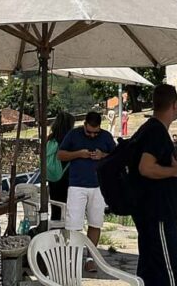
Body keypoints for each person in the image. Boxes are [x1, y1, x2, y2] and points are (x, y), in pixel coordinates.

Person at [130, 84, 177, 286]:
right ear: (174, 105)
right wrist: (174, 171)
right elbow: (146, 167)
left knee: (150, 270)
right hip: (159, 214)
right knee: (171, 271)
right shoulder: (156, 132)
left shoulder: (149, 129)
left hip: (150, 212)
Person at [57, 111, 116, 271]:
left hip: (98, 186)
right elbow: (60, 155)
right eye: (89, 132)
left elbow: (117, 157)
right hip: (77, 185)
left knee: (95, 223)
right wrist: (79, 153)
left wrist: (103, 155)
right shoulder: (74, 135)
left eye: (95, 133)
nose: (91, 135)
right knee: (74, 225)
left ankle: (90, 258)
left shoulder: (106, 137)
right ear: (84, 125)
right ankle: (73, 259)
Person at [45, 111, 75, 222]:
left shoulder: (50, 138)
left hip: (52, 177)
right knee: (67, 209)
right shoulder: (68, 140)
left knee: (56, 208)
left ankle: (54, 233)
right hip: (65, 177)